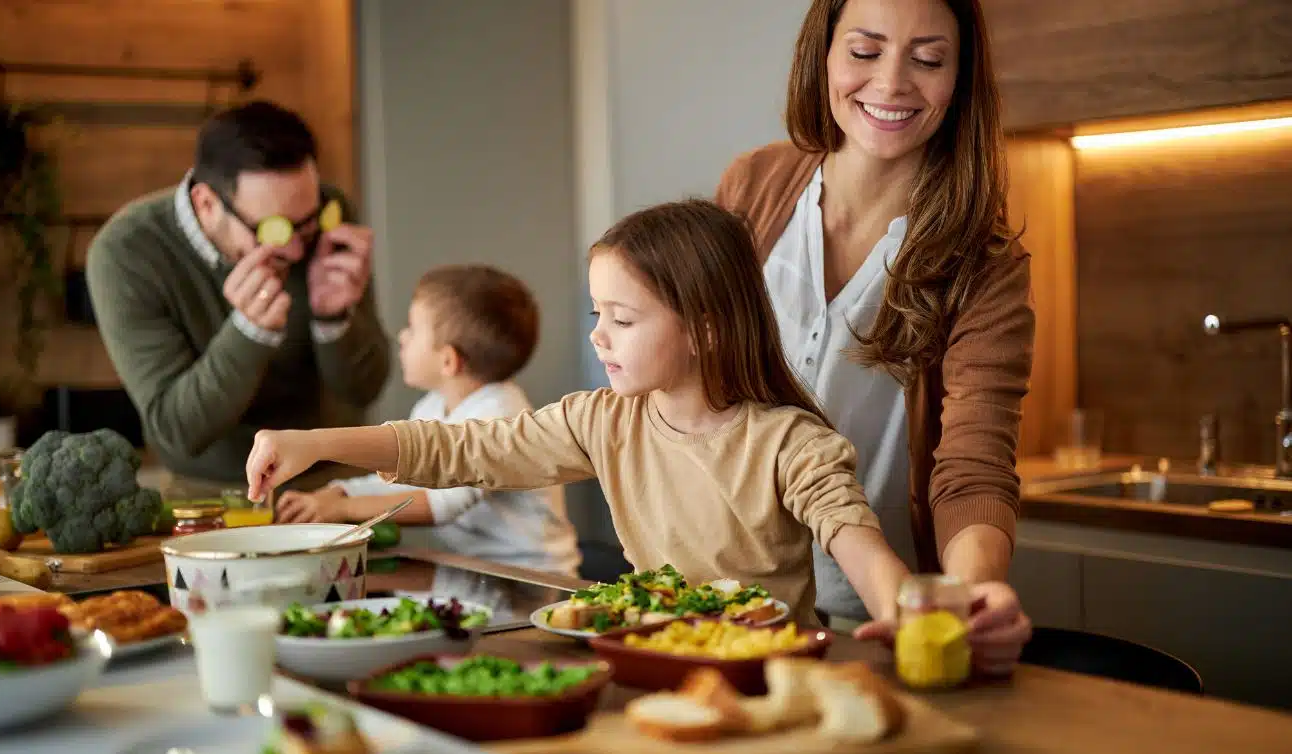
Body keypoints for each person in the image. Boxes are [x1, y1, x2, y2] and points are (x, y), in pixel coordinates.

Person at [244, 199, 913, 627]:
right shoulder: (602, 421)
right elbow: (458, 451)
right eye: (599, 314)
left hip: (765, 674)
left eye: (622, 318)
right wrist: (314, 442)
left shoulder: (789, 443)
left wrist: (902, 614)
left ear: (706, 330)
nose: (598, 336)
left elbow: (854, 537)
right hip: (651, 655)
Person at [714, 0, 1033, 673]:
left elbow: (973, 463)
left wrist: (972, 593)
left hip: (874, 621)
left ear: (961, 78)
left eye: (928, 59)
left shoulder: (984, 260)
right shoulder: (754, 188)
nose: (891, 84)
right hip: (722, 601)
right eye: (864, 51)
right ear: (823, 54)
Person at [87, 101, 391, 490]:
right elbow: (178, 431)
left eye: (307, 224)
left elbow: (365, 388)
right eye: (274, 229)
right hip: (213, 492)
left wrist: (335, 321)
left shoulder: (329, 213)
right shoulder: (126, 252)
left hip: (337, 483)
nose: (297, 250)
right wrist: (249, 332)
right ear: (207, 204)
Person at [273, 264, 582, 577]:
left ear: (448, 360)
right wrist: (339, 492)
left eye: (413, 328)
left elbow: (442, 504)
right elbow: (403, 475)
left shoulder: (501, 415)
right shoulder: (432, 407)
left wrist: (342, 509)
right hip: (478, 571)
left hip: (535, 576)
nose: (402, 336)